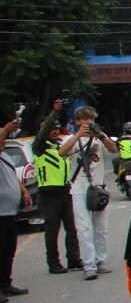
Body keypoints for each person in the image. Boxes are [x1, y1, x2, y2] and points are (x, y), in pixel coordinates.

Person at [58, 106, 118, 281]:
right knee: (84, 228)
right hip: (79, 188)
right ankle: (89, 265)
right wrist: (78, 136)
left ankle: (101, 261)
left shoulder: (99, 138)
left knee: (101, 228)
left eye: (90, 119)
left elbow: (113, 149)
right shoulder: (71, 139)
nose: (88, 122)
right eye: (84, 119)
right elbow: (61, 153)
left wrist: (100, 135)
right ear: (77, 122)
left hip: (98, 187)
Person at [33, 100, 81, 274]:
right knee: (52, 232)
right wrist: (54, 111)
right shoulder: (39, 147)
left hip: (64, 191)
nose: (54, 132)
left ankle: (74, 259)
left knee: (71, 228)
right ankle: (53, 263)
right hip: (48, 194)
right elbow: (43, 132)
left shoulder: (59, 146)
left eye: (56, 129)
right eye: (50, 129)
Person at [0, 117, 33, 302]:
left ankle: (5, 283)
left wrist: (24, 191)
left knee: (8, 250)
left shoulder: (4, 156)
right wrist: (5, 129)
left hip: (10, 211)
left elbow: (13, 176)